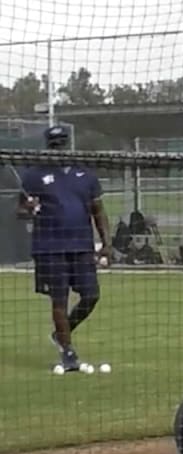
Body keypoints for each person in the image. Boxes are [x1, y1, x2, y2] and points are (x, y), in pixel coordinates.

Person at [16, 124, 111, 370]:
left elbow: (98, 211)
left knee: (91, 295)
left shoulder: (85, 175)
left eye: (61, 143)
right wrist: (29, 209)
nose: (58, 147)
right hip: (49, 246)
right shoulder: (34, 175)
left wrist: (107, 244)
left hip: (81, 245)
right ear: (48, 146)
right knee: (59, 299)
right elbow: (21, 211)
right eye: (53, 143)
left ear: (67, 144)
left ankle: (61, 334)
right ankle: (68, 353)